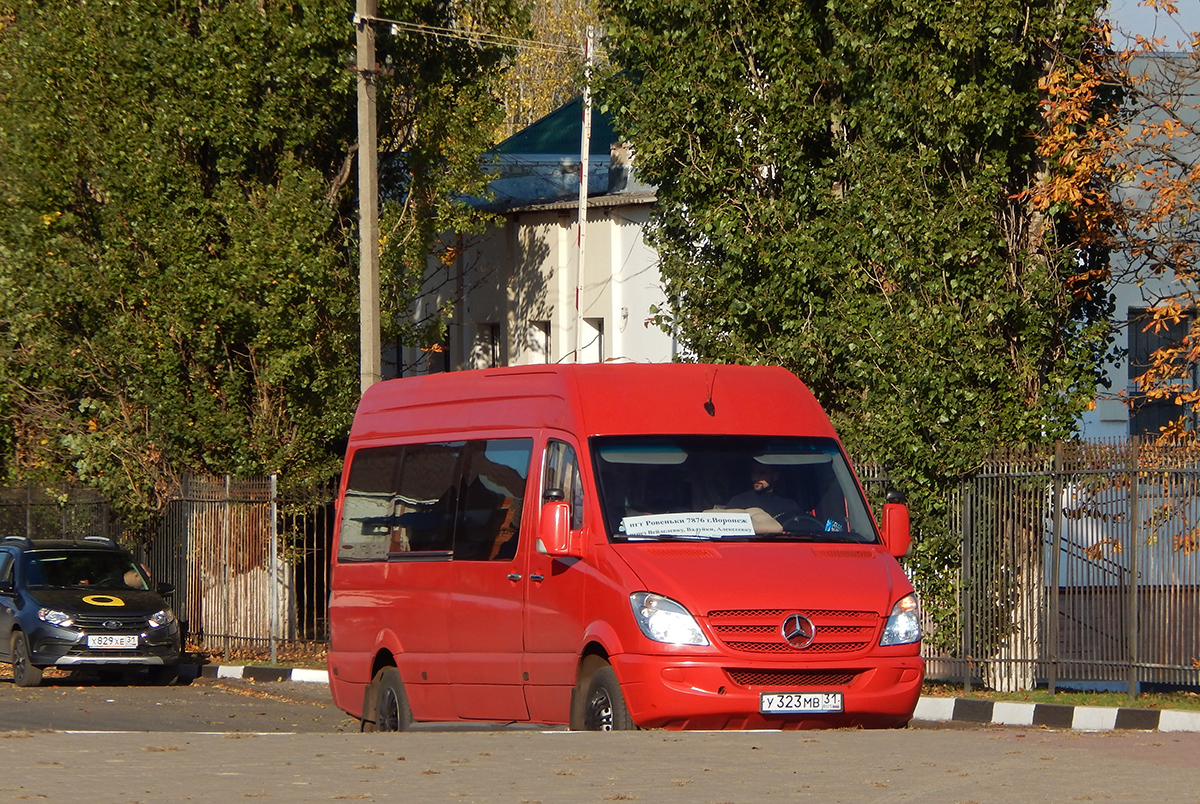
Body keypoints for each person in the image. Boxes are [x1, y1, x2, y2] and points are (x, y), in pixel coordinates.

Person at [726, 465, 803, 521]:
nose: (755, 478)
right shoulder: (738, 502)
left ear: (775, 476)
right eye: (753, 473)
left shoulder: (789, 506)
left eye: (762, 473)